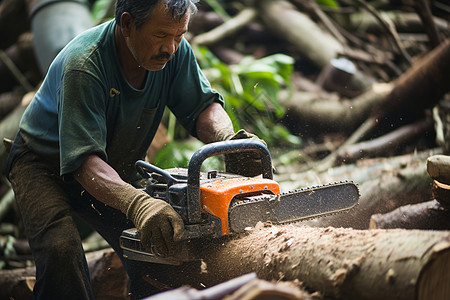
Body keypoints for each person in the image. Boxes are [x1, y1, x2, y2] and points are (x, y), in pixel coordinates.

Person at [5, 0, 264, 299]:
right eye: (161, 36)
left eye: (179, 37)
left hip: (110, 166)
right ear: (127, 24)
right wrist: (138, 205)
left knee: (163, 248)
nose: (171, 47)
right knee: (60, 250)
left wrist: (227, 138)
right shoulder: (85, 65)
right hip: (44, 165)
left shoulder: (173, 53)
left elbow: (203, 105)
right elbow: (84, 161)